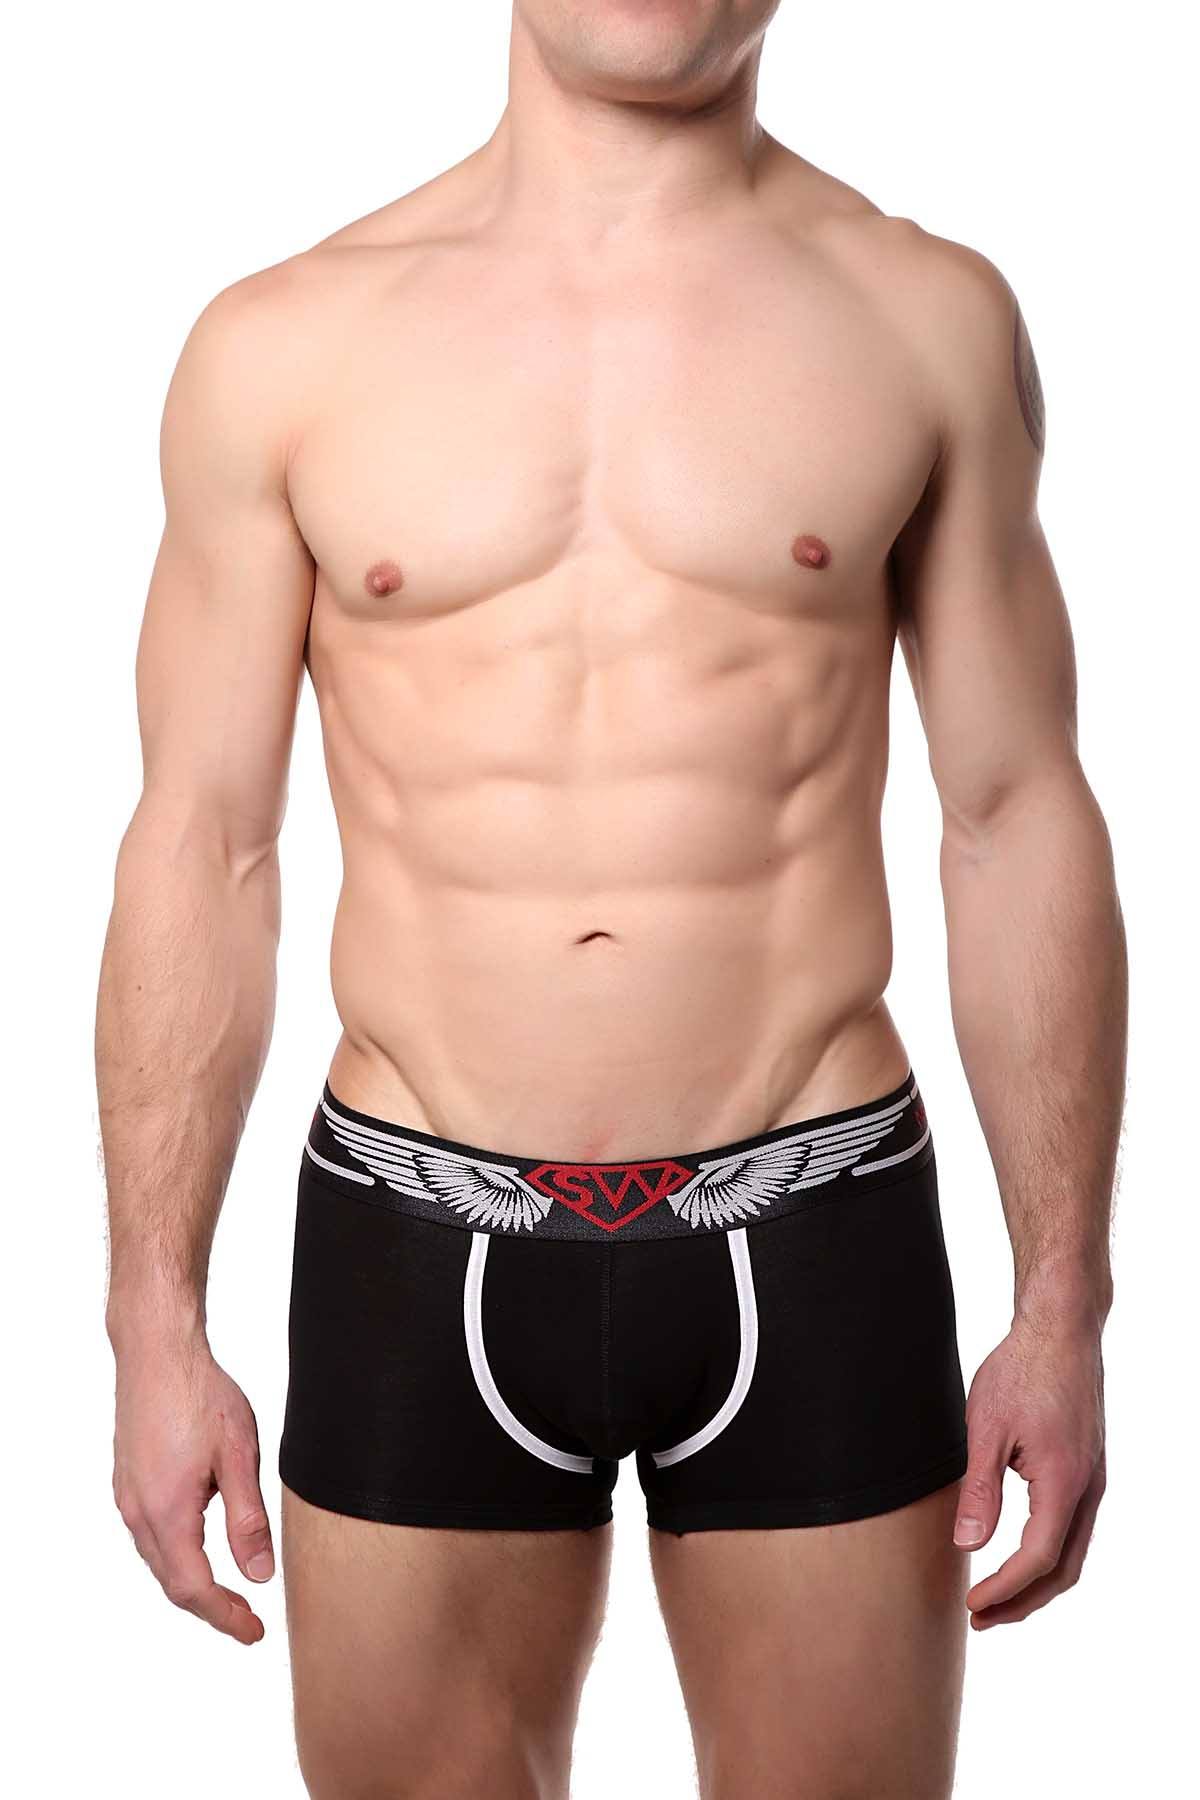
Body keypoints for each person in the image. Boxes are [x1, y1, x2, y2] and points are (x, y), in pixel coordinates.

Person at [96, 3, 1125, 1795]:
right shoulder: (287, 346)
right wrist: (150, 1321)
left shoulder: (921, 320)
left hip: (815, 1216)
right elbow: (205, 842)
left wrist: (1063, 1308)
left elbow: (1014, 815)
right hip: (416, 1225)